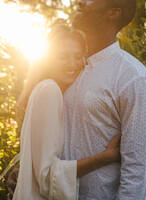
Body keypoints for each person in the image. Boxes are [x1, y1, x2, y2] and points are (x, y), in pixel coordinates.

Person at [63, 0, 146, 199]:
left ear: (113, 13)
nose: (81, 1)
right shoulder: (70, 68)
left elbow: (137, 169)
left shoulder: (135, 78)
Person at [12, 24, 120, 200]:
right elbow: (47, 176)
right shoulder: (50, 90)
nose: (72, 64)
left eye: (78, 56)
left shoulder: (52, 91)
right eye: (63, 57)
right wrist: (104, 157)